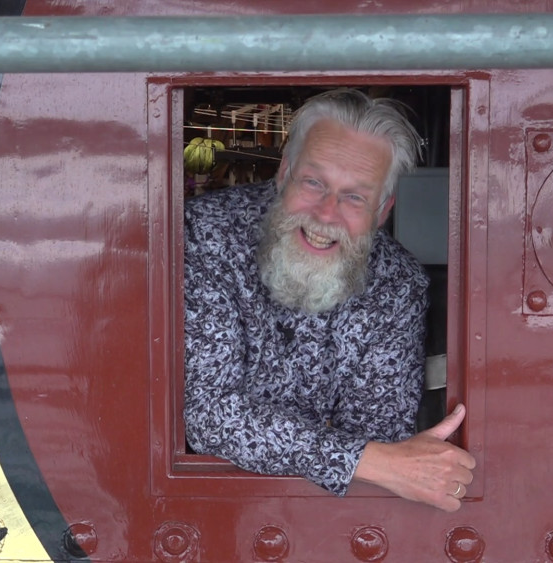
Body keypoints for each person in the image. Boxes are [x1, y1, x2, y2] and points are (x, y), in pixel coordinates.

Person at [183, 88, 475, 512]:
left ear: (382, 210)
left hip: (325, 520)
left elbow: (380, 433)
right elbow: (208, 413)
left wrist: (370, 459)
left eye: (355, 196)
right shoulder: (204, 235)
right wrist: (359, 459)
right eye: (315, 182)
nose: (325, 213)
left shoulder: (398, 284)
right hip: (206, 508)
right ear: (284, 174)